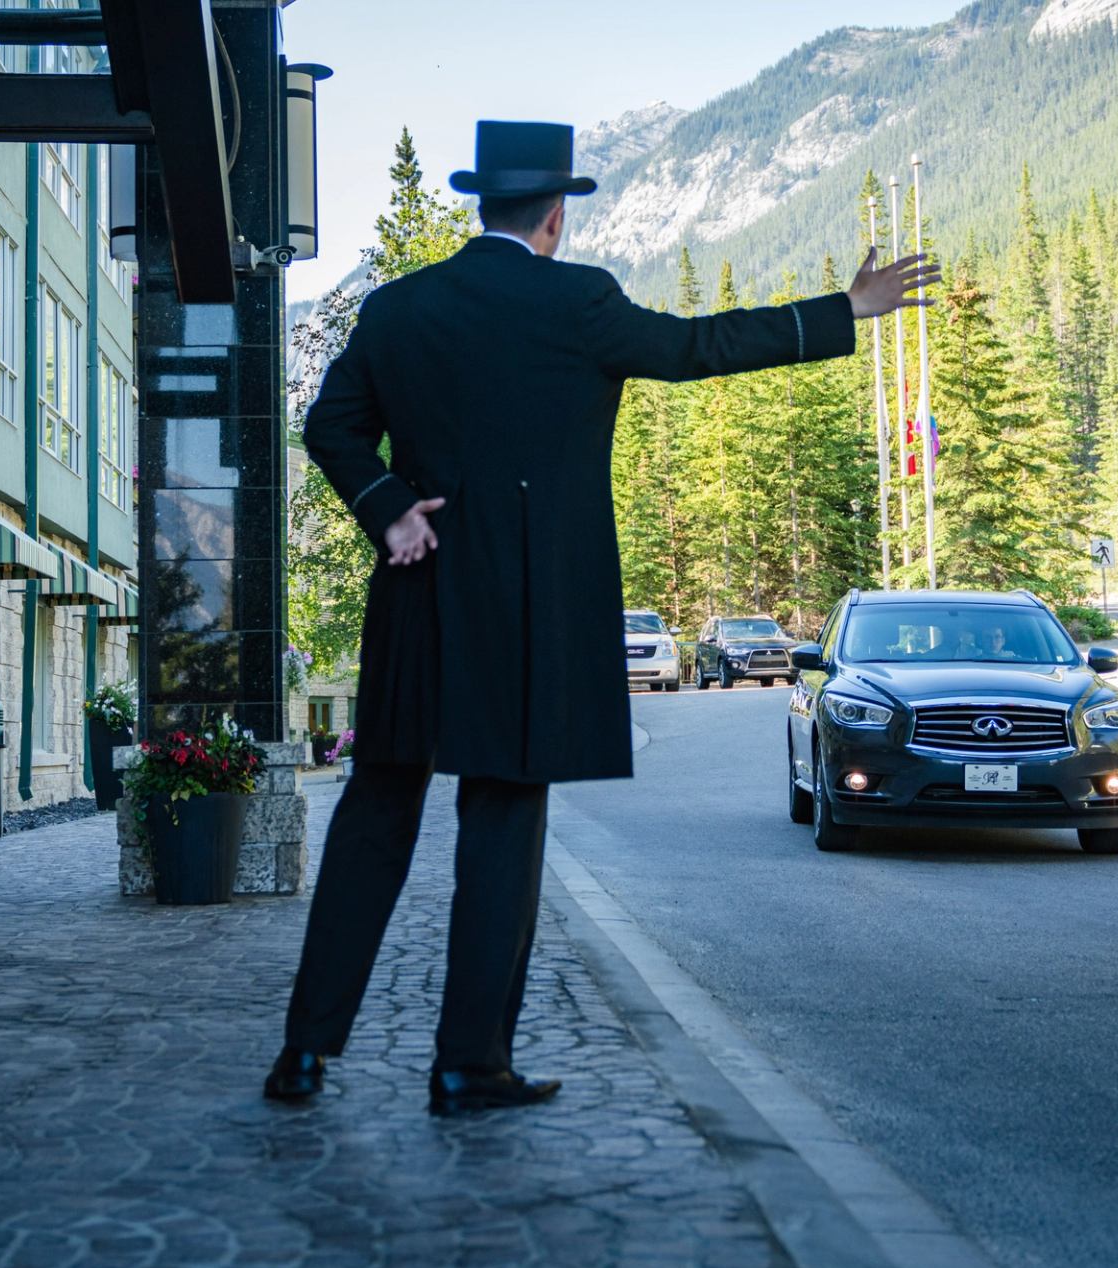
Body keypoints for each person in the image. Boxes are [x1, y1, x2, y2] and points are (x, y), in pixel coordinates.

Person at [266, 120, 939, 1116]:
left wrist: (389, 508)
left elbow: (328, 425)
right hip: (526, 616)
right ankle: (467, 1064)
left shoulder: (400, 308)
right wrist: (844, 308)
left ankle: (305, 1056)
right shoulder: (579, 301)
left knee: (374, 818)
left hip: (418, 599)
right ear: (554, 215)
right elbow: (701, 347)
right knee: (500, 820)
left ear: (484, 205)